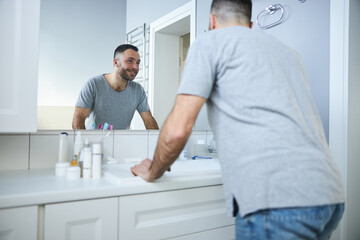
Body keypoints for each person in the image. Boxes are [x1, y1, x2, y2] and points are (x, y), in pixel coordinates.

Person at [131, 0, 345, 239]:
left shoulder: (209, 42)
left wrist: (152, 171)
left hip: (276, 200)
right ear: (250, 24)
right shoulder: (288, 53)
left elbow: (178, 130)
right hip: (329, 195)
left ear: (212, 21)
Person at [72, 44, 159, 130]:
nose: (135, 67)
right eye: (130, 61)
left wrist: (157, 142)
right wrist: (83, 142)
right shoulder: (93, 84)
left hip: (121, 142)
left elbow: (149, 120)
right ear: (116, 62)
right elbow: (78, 119)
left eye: (137, 63)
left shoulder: (138, 90)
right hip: (94, 143)